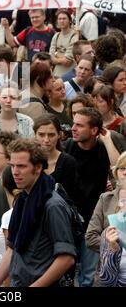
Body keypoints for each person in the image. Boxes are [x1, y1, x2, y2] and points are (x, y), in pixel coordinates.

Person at [0, 138, 76, 287]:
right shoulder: (23, 199)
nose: (15, 172)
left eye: (21, 166)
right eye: (12, 166)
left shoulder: (52, 205)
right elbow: (12, 250)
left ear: (38, 167)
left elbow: (66, 258)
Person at [64, 107, 111, 286]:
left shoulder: (102, 150)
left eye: (79, 125)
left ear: (93, 130)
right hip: (68, 220)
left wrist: (107, 141)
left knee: (88, 276)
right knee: (65, 272)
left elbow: (117, 167)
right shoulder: (67, 146)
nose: (73, 128)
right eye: (73, 124)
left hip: (92, 221)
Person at [86, 151, 126, 255]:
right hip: (111, 266)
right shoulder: (106, 198)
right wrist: (111, 244)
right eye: (122, 168)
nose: (125, 172)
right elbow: (90, 237)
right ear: (116, 172)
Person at [33, 114, 79, 202]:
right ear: (35, 134)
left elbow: (68, 198)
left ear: (59, 135)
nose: (46, 140)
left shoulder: (68, 162)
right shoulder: (27, 160)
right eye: (41, 135)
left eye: (51, 135)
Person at [0, 83, 34, 154]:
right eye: (4, 97)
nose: (8, 101)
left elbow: (31, 149)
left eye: (13, 97)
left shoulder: (28, 122)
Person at [49, 9, 77, 77]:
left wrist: (56, 54)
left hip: (69, 76)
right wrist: (62, 56)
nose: (62, 21)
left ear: (70, 20)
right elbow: (50, 57)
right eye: (59, 19)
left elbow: (67, 62)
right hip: (55, 75)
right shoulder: (56, 35)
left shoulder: (74, 36)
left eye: (64, 18)